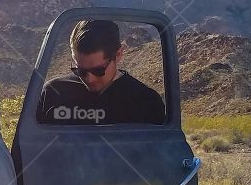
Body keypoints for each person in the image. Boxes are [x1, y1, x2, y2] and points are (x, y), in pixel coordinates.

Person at [36, 19, 165, 125]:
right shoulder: (53, 93)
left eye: (98, 70)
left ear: (119, 54)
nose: (89, 79)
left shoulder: (146, 102)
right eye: (80, 70)